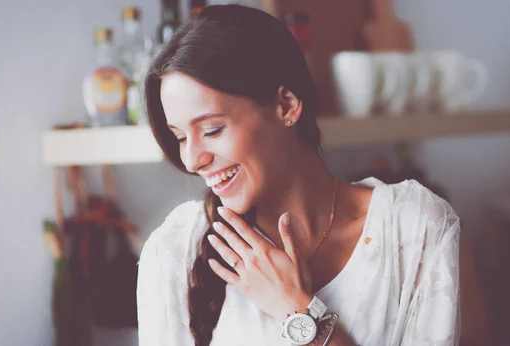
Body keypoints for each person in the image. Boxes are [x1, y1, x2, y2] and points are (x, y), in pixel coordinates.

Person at [137, 4, 460, 346]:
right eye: (180, 137)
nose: (192, 160)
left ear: (286, 106)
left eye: (213, 130)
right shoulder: (174, 251)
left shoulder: (417, 231)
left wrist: (296, 308)